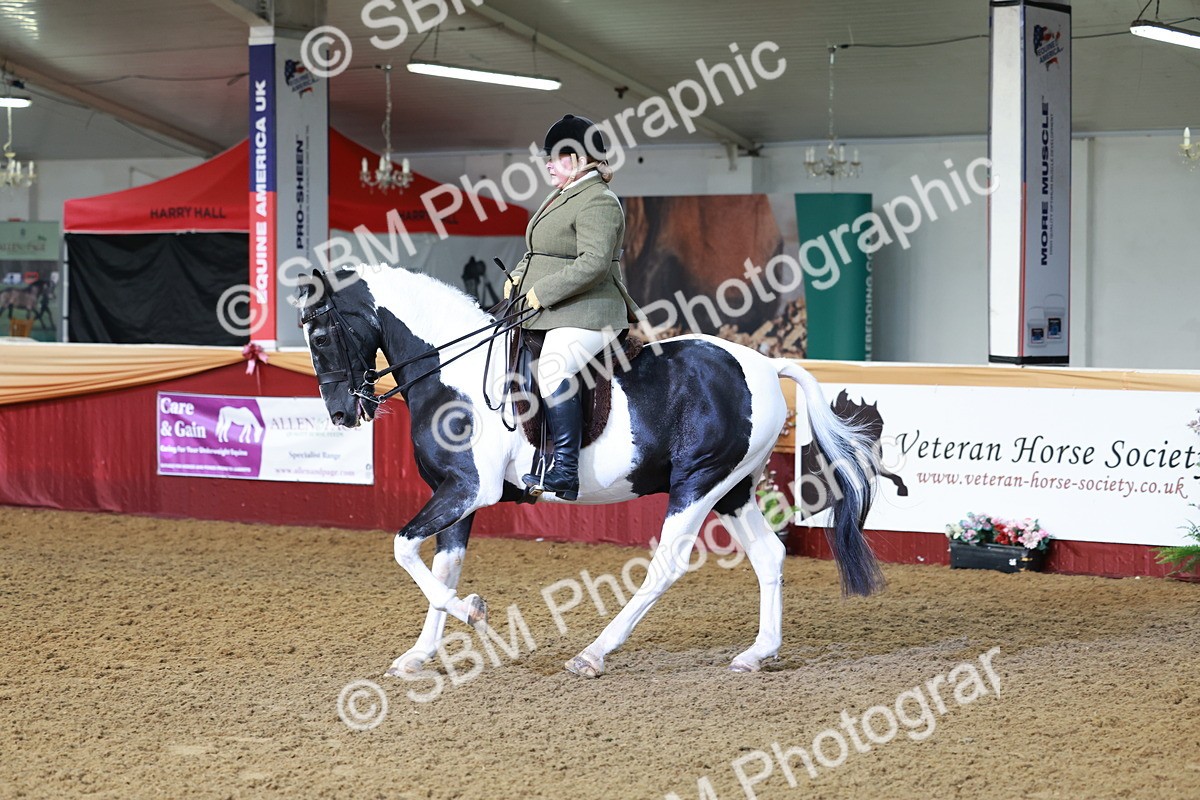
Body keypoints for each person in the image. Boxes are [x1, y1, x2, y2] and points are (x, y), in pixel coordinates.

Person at [503, 114, 640, 501]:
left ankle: (565, 469)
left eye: (557, 156)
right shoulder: (563, 195)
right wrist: (516, 278)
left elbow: (594, 263)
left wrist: (540, 292)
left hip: (592, 310)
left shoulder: (599, 201)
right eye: (548, 156)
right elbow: (538, 252)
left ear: (580, 159)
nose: (548, 162)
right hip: (559, 308)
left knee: (553, 367)